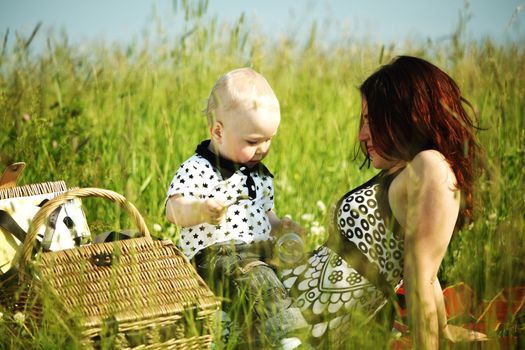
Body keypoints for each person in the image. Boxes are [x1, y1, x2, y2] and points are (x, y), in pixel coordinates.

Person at [281, 55, 486, 349]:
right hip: (288, 304)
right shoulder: (404, 170)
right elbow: (423, 266)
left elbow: (422, 276)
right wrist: (443, 329)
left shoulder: (429, 165)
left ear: (408, 114)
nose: (361, 135)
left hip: (302, 327)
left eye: (370, 120)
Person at [165, 67, 308, 348]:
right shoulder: (199, 168)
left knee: (286, 277)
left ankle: (251, 338)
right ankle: (288, 338)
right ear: (218, 131)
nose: (263, 149)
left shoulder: (259, 174)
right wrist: (202, 210)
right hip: (215, 257)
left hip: (256, 255)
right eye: (253, 141)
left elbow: (266, 213)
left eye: (269, 139)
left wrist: (280, 226)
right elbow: (174, 208)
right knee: (256, 279)